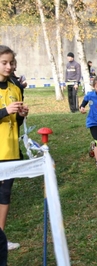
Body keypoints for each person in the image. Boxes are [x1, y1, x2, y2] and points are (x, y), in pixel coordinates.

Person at [0, 45, 29, 252]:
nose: (9, 66)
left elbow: (16, 123)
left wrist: (20, 115)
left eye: (11, 62)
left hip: (10, 150)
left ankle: (1, 238)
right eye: (4, 63)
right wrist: (4, 111)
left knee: (4, 195)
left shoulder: (15, 88)